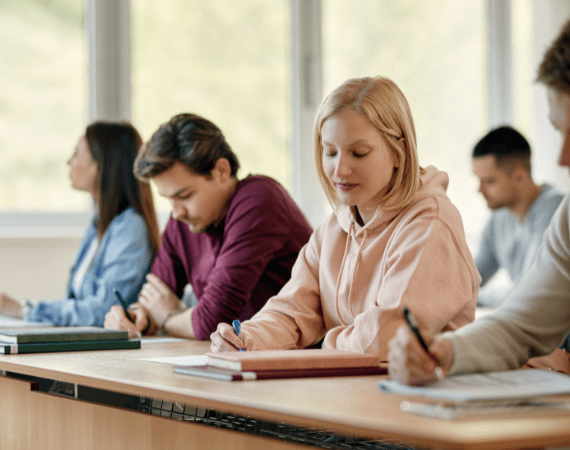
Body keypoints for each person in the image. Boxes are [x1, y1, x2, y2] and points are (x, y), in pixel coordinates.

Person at [210, 76, 480, 359]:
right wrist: (246, 338)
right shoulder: (333, 229)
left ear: (399, 151)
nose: (340, 170)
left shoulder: (430, 224)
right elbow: (292, 311)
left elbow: (386, 337)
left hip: (421, 395)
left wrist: (322, 344)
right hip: (352, 392)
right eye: (330, 152)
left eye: (359, 153)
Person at [388, 18, 570, 386]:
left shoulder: (550, 209)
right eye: (559, 130)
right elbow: (521, 324)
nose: (563, 158)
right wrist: (447, 351)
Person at [103, 113, 313, 340]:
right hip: (237, 356)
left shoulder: (259, 200)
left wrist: (167, 318)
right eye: (168, 199)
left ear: (221, 171)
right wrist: (134, 317)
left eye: (184, 195)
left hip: (293, 359)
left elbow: (211, 322)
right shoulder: (184, 220)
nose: (176, 212)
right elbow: (154, 299)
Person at [0, 122, 160, 326]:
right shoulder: (99, 225)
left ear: (100, 164)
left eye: (76, 154)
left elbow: (104, 310)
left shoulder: (130, 228)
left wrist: (25, 309)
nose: (69, 162)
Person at [472, 126, 563, 307]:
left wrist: (470, 299)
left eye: (489, 181)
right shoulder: (498, 220)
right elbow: (469, 279)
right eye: (478, 179)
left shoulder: (556, 209)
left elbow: (527, 291)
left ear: (519, 177)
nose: (479, 190)